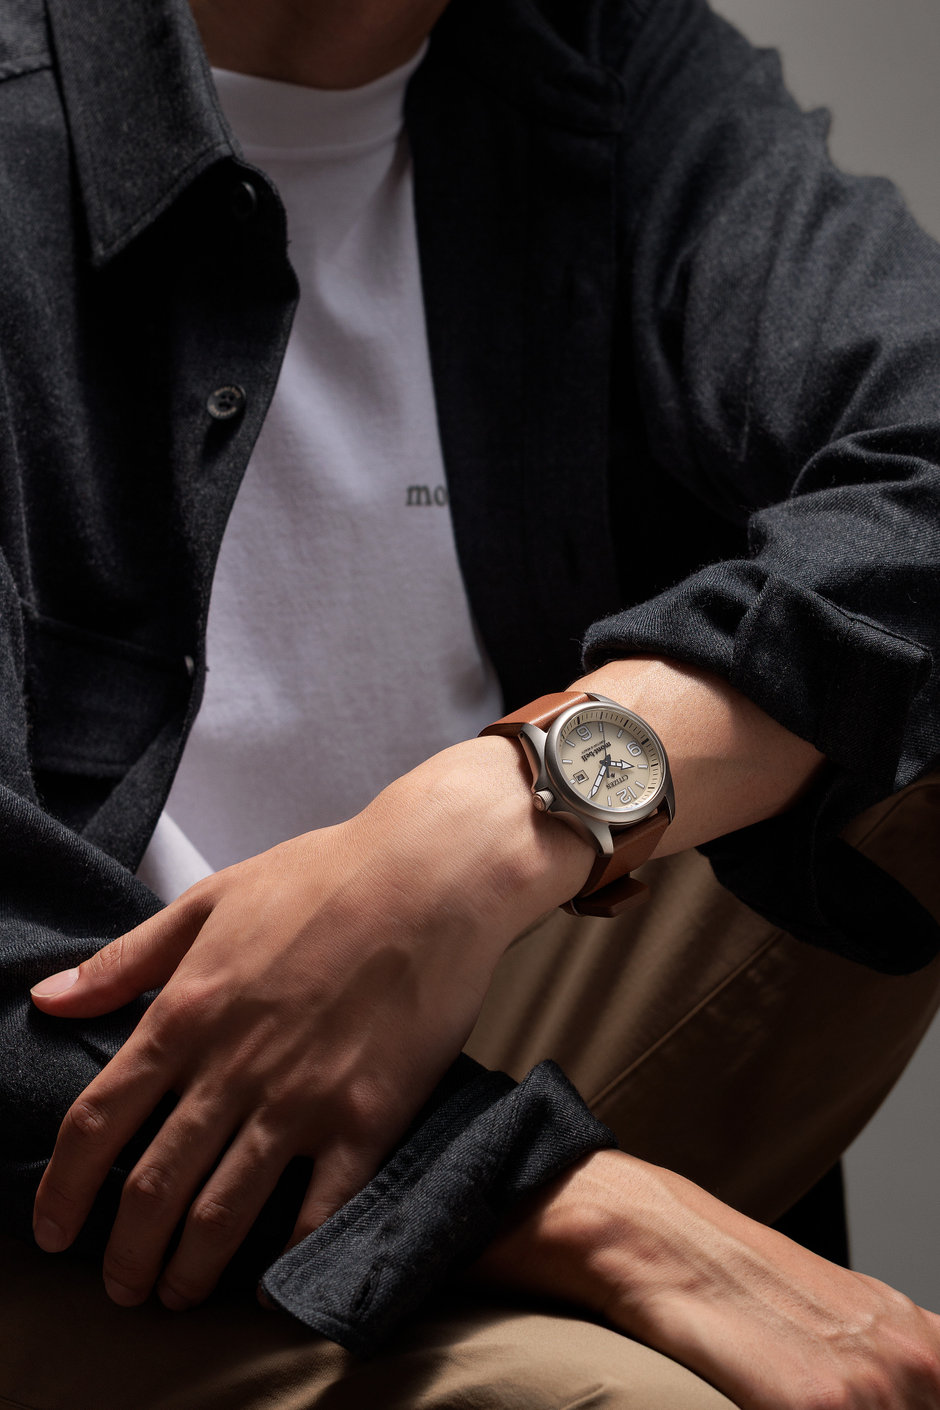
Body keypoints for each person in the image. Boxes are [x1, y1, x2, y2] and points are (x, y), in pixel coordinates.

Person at [2, 0, 940, 1405]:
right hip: (88, 1173)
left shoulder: (593, 53)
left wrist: (489, 823)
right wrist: (587, 1204)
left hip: (504, 1027)